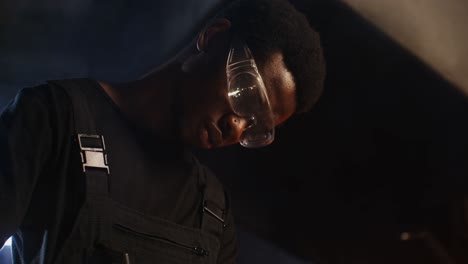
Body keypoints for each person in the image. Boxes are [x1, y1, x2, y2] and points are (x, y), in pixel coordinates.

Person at [0, 0, 326, 263]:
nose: (236, 125)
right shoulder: (56, 116)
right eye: (246, 95)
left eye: (256, 126)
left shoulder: (212, 213)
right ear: (211, 37)